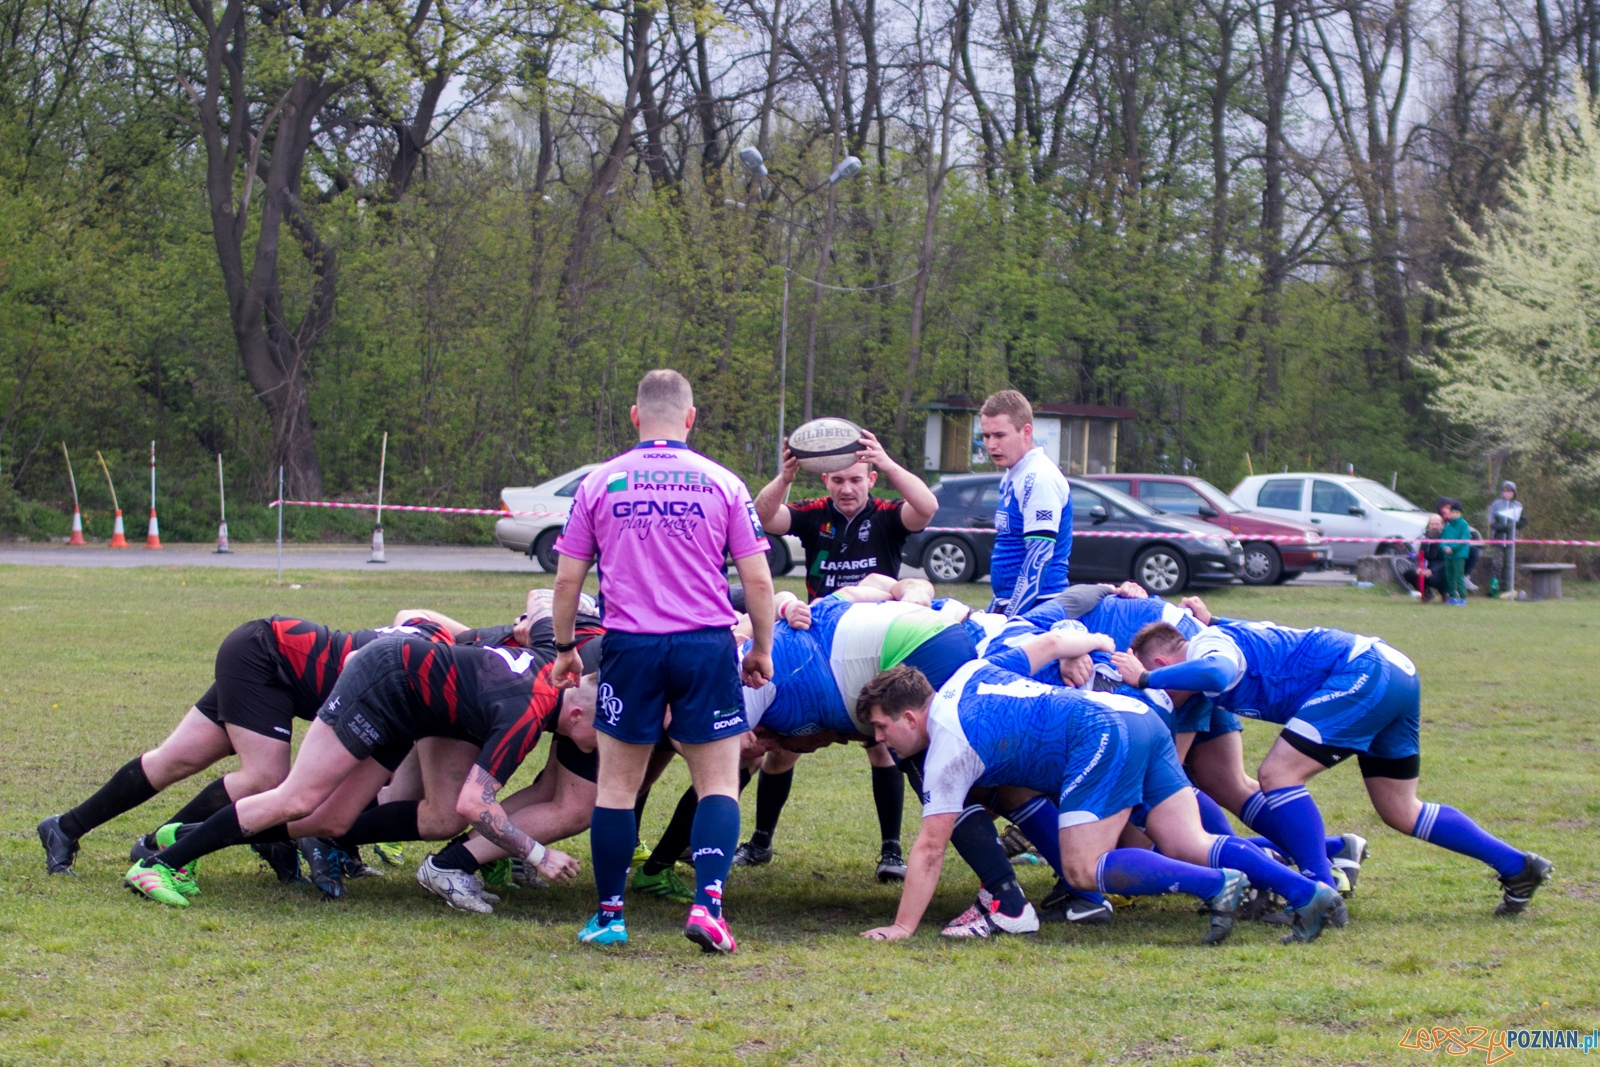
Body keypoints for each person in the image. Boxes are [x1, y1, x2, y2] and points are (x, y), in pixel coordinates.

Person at [855, 642, 1344, 946]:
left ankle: (1217, 886)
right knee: (1187, 843)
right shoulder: (967, 672)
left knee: (1082, 868)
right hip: (1135, 716)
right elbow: (1048, 642)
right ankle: (1309, 893)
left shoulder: (946, 751)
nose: (879, 740)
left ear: (911, 717)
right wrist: (1086, 644)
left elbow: (930, 848)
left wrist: (901, 927)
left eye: (881, 727)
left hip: (1101, 734)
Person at [1111, 617, 1553, 916]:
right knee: (1400, 809)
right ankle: (1518, 866)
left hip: (1365, 670)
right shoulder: (1213, 639)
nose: (1164, 696)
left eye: (1162, 681)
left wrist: (1146, 680)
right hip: (1392, 671)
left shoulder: (1207, 646)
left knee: (1277, 775)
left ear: (1166, 664)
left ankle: (1318, 891)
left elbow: (1213, 673)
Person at [549, 368, 775, 954]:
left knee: (617, 789)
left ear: (634, 416)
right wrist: (761, 649)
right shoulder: (724, 482)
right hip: (704, 645)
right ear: (691, 419)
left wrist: (566, 647)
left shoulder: (600, 482)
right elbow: (757, 578)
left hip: (630, 646)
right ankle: (709, 907)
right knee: (719, 782)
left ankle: (609, 915)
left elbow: (569, 578)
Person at [122, 634, 591, 908]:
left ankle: (189, 834)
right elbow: (477, 803)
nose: (607, 745)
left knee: (338, 821)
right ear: (574, 715)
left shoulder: (555, 675)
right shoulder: (529, 712)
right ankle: (159, 864)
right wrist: (537, 854)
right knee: (300, 798)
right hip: (382, 683)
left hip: (414, 705)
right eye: (606, 733)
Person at [36, 612, 456, 879]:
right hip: (266, 657)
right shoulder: (438, 658)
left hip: (266, 658)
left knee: (174, 760)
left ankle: (65, 827)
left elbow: (411, 614)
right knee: (265, 779)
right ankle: (161, 847)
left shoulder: (439, 649)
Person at [754, 429, 939, 601]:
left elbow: (928, 507)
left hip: (875, 620)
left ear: (871, 480)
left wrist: (889, 465)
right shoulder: (813, 512)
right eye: (838, 480)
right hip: (825, 618)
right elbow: (762, 519)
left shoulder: (886, 513)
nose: (847, 489)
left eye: (855, 480)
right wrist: (784, 478)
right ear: (826, 481)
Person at [978, 390, 1071, 617]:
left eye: (1000, 435)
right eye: (986, 436)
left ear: (1026, 432)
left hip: (1039, 606)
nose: (991, 445)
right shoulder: (1014, 473)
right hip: (1010, 601)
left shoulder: (1038, 477)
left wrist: (1010, 619)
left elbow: (1038, 558)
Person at [1487, 481, 1524, 596]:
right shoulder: (1496, 504)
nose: (1507, 493)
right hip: (1498, 537)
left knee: (1509, 564)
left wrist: (1513, 526)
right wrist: (1501, 527)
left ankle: (1507, 589)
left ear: (1514, 493)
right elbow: (1491, 520)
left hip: (1511, 538)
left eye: (1510, 491)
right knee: (1497, 564)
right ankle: (1494, 588)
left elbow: (1523, 521)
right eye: (1505, 491)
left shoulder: (1518, 505)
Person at [1440, 501, 1473, 606]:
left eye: (1456, 512)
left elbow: (1464, 539)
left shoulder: (1464, 524)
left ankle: (1463, 598)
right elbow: (1442, 539)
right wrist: (1444, 547)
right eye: (1452, 512)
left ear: (1460, 513)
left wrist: (1452, 549)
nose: (1454, 514)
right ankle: (1452, 597)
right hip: (1448, 554)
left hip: (1459, 554)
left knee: (1459, 576)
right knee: (1449, 576)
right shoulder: (1448, 526)